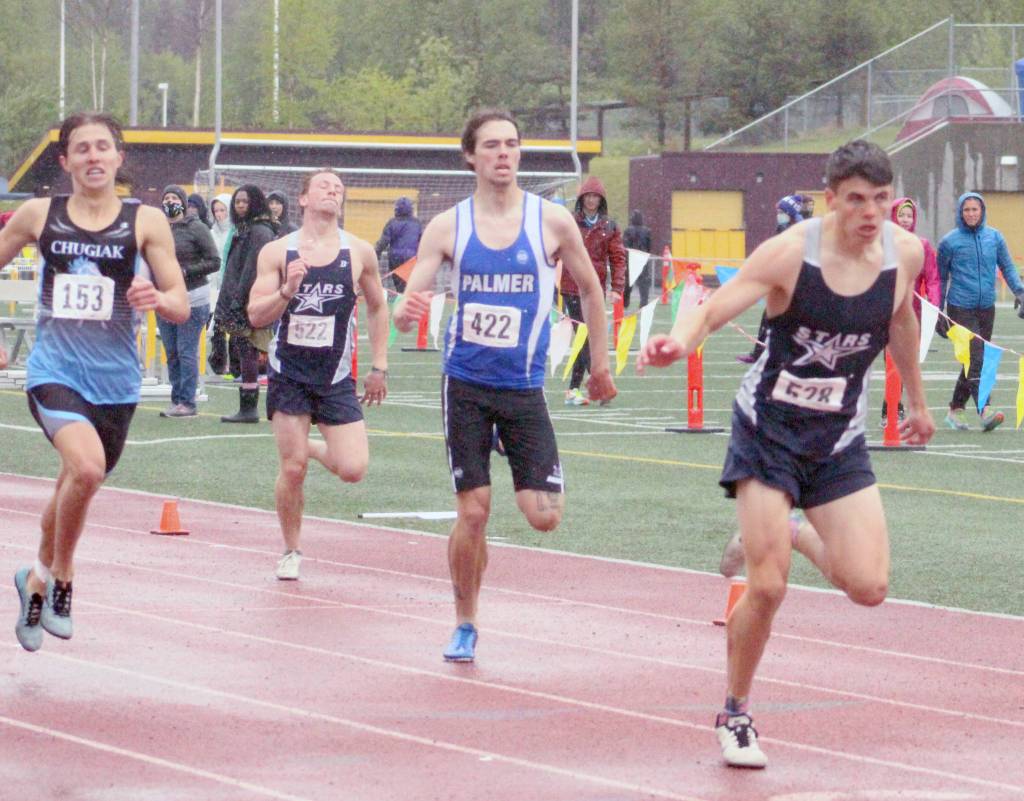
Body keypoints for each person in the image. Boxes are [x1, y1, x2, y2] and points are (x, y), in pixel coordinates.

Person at [639, 140, 935, 768]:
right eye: (856, 199)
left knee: (870, 585)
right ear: (831, 200)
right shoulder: (789, 253)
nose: (870, 213)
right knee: (768, 588)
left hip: (837, 438)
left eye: (881, 199)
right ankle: (737, 712)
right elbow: (718, 305)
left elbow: (903, 320)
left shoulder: (903, 255)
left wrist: (915, 400)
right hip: (768, 431)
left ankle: (794, 530)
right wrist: (678, 341)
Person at [393, 109, 616, 663]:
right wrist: (406, 310)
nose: (503, 154)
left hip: (522, 387)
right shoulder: (449, 224)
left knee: (545, 516)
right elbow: (413, 294)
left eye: (511, 144)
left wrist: (601, 366)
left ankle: (502, 455)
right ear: (470, 155)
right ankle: (465, 620)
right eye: (491, 145)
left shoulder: (552, 221)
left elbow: (591, 290)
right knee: (473, 513)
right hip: (466, 382)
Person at [0, 111, 188, 652]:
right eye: (81, 149)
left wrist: (155, 299)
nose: (93, 157)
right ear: (65, 161)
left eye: (103, 147)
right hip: (54, 371)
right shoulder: (40, 214)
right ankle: (63, 577)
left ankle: (32, 579)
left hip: (117, 382)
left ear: (119, 157)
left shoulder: (146, 221)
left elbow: (178, 303)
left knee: (75, 484)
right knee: (84, 468)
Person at [248, 170, 390, 580]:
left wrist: (379, 365)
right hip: (289, 374)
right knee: (292, 470)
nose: (334, 191)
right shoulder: (277, 252)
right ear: (304, 198)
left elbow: (378, 306)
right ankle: (291, 549)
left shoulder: (358, 251)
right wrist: (287, 290)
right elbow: (256, 315)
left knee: (353, 469)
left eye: (340, 188)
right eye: (325, 186)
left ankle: (303, 444)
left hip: (334, 378)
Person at [937, 191, 1024, 432]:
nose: (971, 213)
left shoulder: (995, 237)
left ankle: (955, 410)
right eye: (967, 210)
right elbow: (941, 279)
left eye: (975, 209)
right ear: (960, 213)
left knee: (974, 359)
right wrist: (937, 311)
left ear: (982, 211)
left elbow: (1007, 266)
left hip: (987, 307)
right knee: (976, 357)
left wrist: (1020, 292)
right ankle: (984, 410)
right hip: (959, 307)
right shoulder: (949, 242)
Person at [214, 185, 279, 422]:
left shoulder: (259, 231)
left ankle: (251, 407)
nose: (240, 205)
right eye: (237, 201)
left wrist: (238, 300)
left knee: (251, 350)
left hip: (250, 300)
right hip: (239, 298)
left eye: (245, 201)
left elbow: (251, 270)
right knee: (245, 349)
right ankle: (248, 406)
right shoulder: (245, 229)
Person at [559, 176, 625, 405]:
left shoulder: (609, 226)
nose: (591, 200)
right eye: (587, 196)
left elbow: (618, 258)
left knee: (587, 337)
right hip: (571, 286)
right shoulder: (570, 223)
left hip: (595, 288)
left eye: (595, 196)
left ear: (601, 200)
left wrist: (617, 287)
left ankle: (575, 389)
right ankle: (599, 384)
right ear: (581, 199)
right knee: (584, 337)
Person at [156, 185, 221, 417]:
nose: (170, 202)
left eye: (174, 198)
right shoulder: (158, 228)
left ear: (183, 203)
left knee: (186, 350)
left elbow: (214, 261)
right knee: (171, 351)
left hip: (192, 297)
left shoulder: (196, 228)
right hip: (164, 298)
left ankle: (188, 401)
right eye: (166, 198)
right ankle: (177, 400)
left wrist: (186, 271)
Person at [880, 196, 940, 425]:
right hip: (884, 312)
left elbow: (932, 278)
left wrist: (933, 304)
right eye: (901, 215)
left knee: (904, 361)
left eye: (909, 215)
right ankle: (890, 408)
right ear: (893, 215)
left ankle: (895, 407)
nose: (905, 220)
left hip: (910, 314)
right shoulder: (882, 242)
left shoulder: (921, 245)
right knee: (890, 362)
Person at [736, 194, 803, 364]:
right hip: (783, 284)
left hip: (798, 285)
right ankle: (759, 354)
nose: (778, 215)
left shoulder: (800, 230)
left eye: (781, 211)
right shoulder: (784, 228)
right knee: (768, 317)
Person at [207, 192, 235, 376]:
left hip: (231, 285)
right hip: (213, 285)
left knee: (233, 327)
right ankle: (218, 363)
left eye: (222, 210)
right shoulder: (211, 233)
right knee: (215, 326)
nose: (219, 214)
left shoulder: (237, 232)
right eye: (216, 210)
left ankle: (235, 365)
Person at [374, 196, 422, 294]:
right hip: (411, 259)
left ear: (396, 209)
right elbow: (422, 241)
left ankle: (401, 302)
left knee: (400, 288)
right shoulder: (417, 223)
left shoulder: (392, 223)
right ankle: (408, 303)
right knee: (411, 287)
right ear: (411, 209)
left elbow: (383, 241)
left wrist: (375, 254)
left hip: (395, 259)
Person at [622, 209, 653, 308]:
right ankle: (643, 304)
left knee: (628, 283)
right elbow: (649, 246)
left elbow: (625, 245)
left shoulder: (628, 230)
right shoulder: (647, 231)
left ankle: (625, 303)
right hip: (642, 259)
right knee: (644, 284)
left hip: (630, 259)